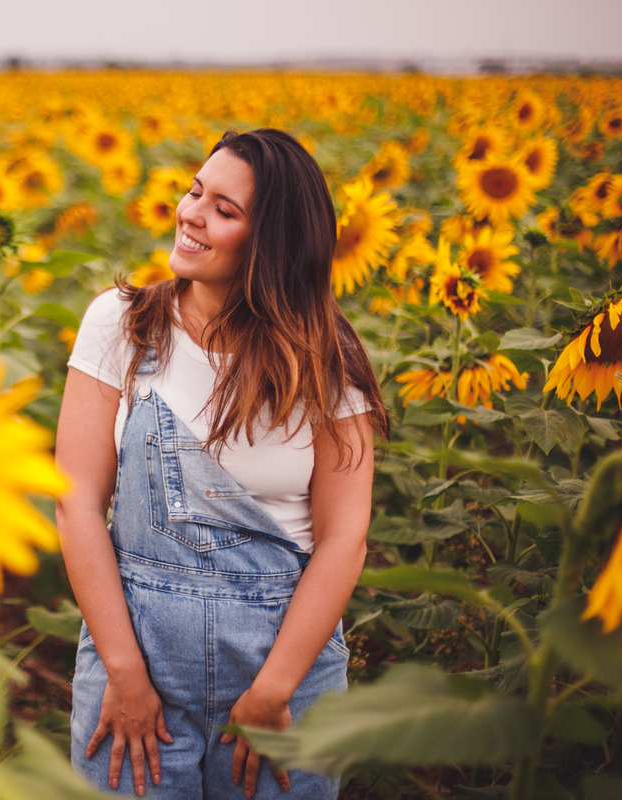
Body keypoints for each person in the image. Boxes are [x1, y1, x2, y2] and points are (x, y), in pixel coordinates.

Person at [55, 128, 389, 799]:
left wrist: (274, 689)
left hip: (284, 671)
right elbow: (77, 503)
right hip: (135, 653)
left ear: (273, 243)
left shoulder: (328, 357)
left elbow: (344, 537)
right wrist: (123, 673)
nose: (191, 213)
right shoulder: (120, 325)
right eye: (194, 190)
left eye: (224, 210)